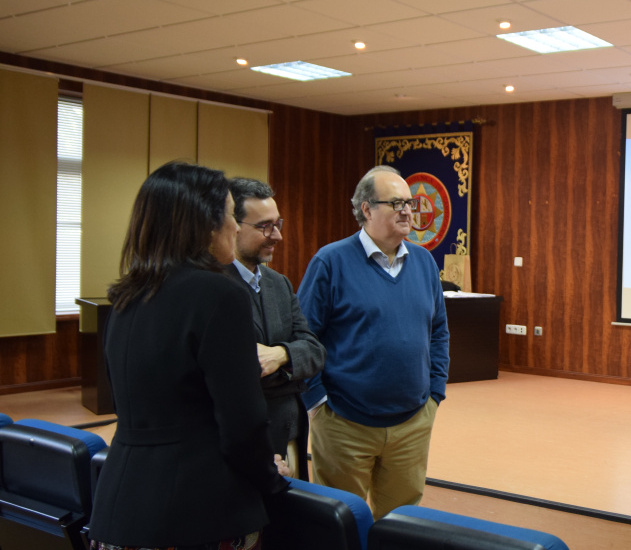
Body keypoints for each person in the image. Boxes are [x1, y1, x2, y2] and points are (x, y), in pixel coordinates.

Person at [90, 162, 289, 550]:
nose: (235, 226)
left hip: (122, 504)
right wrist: (271, 477)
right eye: (231, 215)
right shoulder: (220, 296)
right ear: (204, 224)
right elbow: (242, 424)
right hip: (198, 511)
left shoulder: (125, 297)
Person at [298, 165, 449, 519]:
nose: (408, 210)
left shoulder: (425, 262)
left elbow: (439, 331)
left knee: (402, 526)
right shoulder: (330, 261)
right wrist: (317, 401)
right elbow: (303, 336)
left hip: (411, 424)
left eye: (410, 202)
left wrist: (435, 393)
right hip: (344, 424)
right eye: (396, 202)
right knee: (340, 522)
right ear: (366, 209)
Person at [226, 177, 325, 481]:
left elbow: (315, 352)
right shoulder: (210, 287)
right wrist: (290, 371)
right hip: (240, 441)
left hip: (289, 433)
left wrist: (281, 356)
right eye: (265, 227)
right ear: (232, 225)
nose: (278, 236)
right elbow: (232, 375)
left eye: (277, 223)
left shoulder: (278, 284)